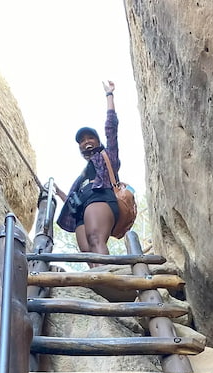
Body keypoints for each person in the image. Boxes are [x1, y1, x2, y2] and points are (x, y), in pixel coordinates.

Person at [56, 81, 120, 265]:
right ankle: (100, 285)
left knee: (95, 239)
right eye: (82, 141)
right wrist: (59, 193)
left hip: (100, 198)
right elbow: (72, 198)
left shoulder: (107, 155)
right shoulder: (82, 175)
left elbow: (111, 128)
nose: (86, 142)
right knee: (86, 251)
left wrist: (109, 95)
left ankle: (108, 279)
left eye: (90, 138)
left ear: (98, 141)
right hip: (81, 210)